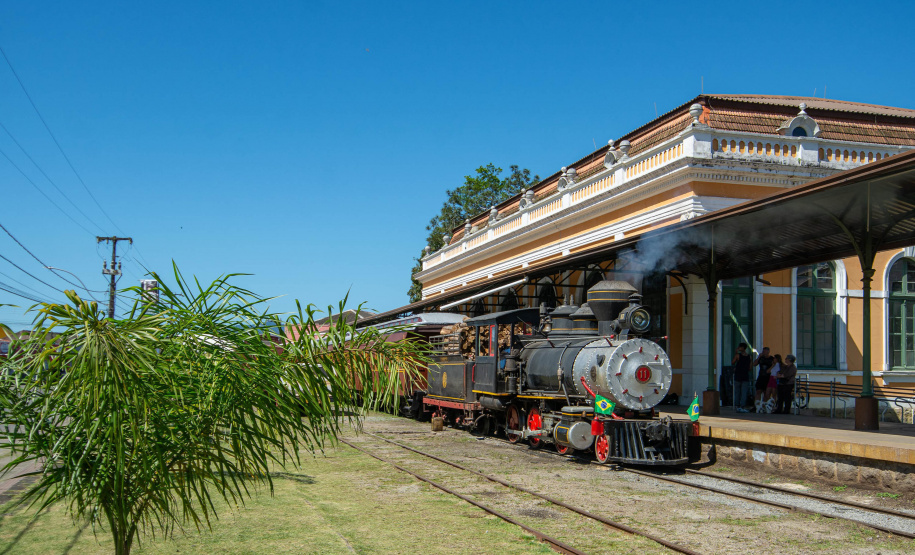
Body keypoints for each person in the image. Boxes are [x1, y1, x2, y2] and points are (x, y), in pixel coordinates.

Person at [732, 343, 752, 412]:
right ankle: (742, 405)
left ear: (742, 348)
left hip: (738, 374)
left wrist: (735, 353)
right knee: (744, 392)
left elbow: (733, 362)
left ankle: (737, 405)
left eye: (740, 347)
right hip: (745, 375)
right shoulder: (749, 356)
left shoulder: (738, 355)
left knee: (737, 391)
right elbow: (750, 367)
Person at [753, 347, 774, 411]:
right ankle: (757, 405)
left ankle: (765, 405)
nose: (764, 353)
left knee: (766, 392)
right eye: (763, 351)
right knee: (758, 391)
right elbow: (754, 364)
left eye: (765, 352)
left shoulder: (771, 359)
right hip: (761, 376)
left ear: (768, 352)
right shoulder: (761, 358)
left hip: (768, 377)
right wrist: (759, 357)